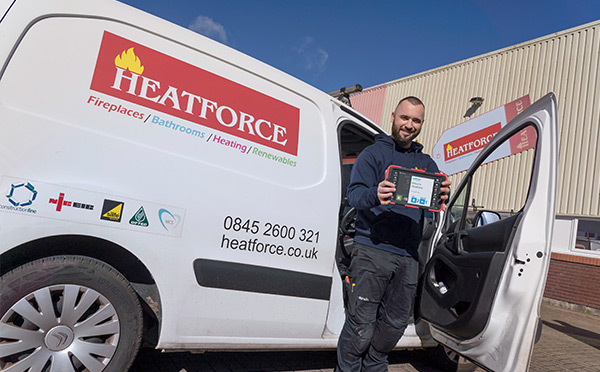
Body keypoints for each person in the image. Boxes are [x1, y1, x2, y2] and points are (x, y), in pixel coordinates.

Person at [336, 96, 451, 372]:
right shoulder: (372, 155)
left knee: (395, 324)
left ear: (421, 123)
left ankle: (375, 366)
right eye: (405, 118)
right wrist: (375, 194)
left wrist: (443, 193)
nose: (409, 125)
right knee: (361, 326)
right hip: (372, 250)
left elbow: (436, 198)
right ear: (393, 117)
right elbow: (354, 194)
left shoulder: (426, 163)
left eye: (416, 120)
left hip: (408, 256)